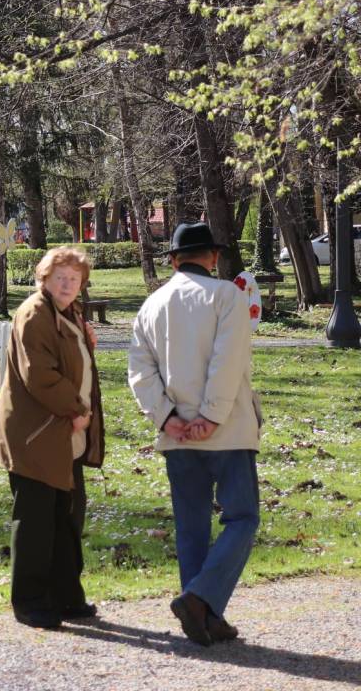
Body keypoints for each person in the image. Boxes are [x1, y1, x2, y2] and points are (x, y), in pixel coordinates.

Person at [128, 222, 261, 647]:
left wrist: (167, 418)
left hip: (178, 434)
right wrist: (212, 415)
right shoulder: (227, 296)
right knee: (242, 517)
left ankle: (203, 615)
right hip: (227, 430)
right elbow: (228, 359)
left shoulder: (151, 305)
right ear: (213, 257)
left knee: (191, 527)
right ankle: (201, 599)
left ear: (173, 261)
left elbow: (140, 371)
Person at [0, 246, 104, 629]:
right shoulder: (35, 314)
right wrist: (76, 409)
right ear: (44, 278)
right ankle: (30, 603)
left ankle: (66, 597)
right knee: (36, 521)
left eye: (75, 279)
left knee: (67, 516)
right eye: (61, 278)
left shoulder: (70, 313)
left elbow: (71, 361)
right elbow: (39, 374)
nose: (68, 284)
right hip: (37, 436)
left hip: (65, 436)